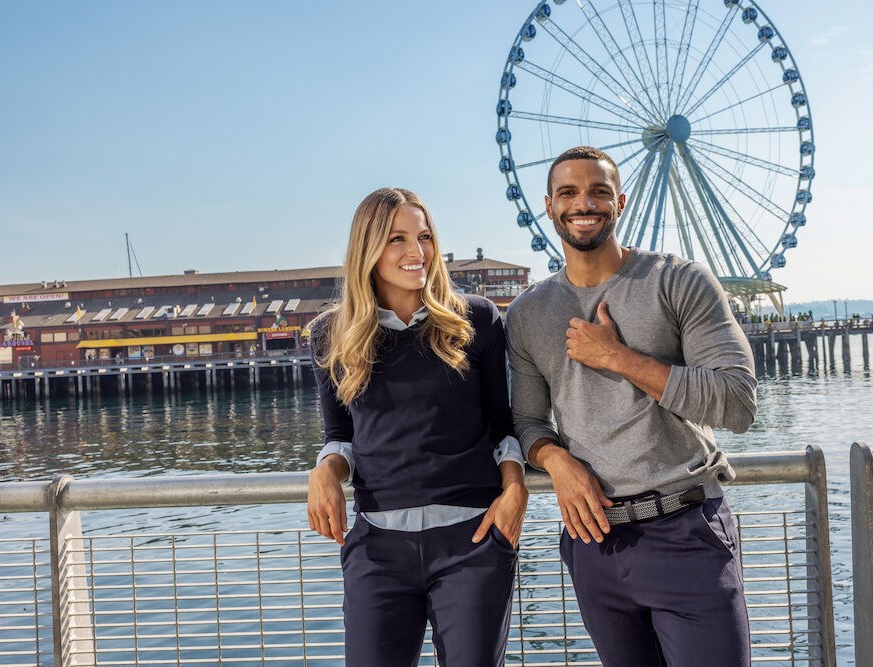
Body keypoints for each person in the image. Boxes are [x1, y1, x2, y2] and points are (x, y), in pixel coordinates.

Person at [505, 146, 757, 666]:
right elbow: (527, 420)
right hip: (593, 540)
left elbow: (737, 402)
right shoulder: (528, 313)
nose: (584, 203)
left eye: (598, 191)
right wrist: (556, 462)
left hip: (685, 530)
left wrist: (619, 358)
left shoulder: (680, 281)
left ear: (620, 201)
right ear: (549, 206)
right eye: (569, 193)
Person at [306, 187, 527, 667]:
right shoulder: (331, 333)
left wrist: (514, 492)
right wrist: (324, 472)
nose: (417, 251)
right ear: (367, 249)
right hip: (377, 551)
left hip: (473, 543)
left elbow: (502, 424)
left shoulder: (477, 320)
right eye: (396, 239)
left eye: (424, 236)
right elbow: (340, 436)